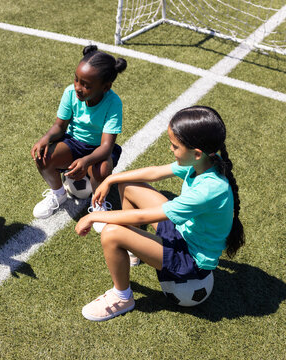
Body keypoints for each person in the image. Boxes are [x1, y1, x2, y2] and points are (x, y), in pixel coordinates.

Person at [75, 106, 245, 321]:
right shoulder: (202, 163)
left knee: (111, 233)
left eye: (175, 146)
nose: (170, 149)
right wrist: (111, 179)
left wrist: (93, 216)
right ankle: (134, 253)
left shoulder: (209, 190)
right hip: (184, 234)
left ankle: (122, 297)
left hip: (190, 263)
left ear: (197, 153)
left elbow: (143, 217)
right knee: (128, 184)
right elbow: (155, 172)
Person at [31, 45, 127, 228]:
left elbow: (107, 146)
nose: (78, 88)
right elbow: (59, 126)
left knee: (101, 169)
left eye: (86, 85)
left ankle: (98, 204)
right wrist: (46, 138)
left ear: (106, 87)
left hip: (98, 149)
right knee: (43, 157)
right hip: (73, 143)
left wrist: (86, 161)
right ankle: (58, 193)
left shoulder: (113, 102)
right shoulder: (70, 92)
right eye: (76, 80)